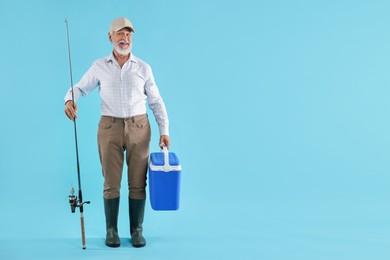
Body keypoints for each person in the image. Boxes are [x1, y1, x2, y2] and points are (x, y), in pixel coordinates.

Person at [64, 17, 170, 248]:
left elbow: (156, 101)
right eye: (120, 34)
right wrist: (69, 100)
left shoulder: (143, 67)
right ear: (110, 37)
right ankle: (111, 230)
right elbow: (80, 88)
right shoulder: (99, 66)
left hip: (139, 128)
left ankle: (136, 230)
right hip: (109, 128)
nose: (124, 39)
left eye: (128, 34)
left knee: (137, 182)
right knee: (111, 182)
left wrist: (164, 130)